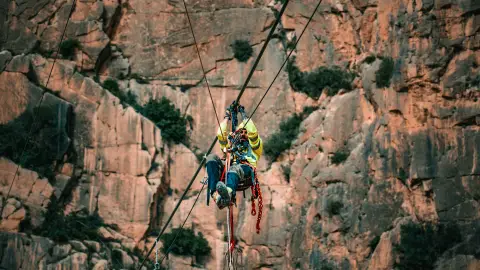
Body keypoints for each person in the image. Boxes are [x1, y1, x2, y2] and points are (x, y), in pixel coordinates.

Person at [206, 104, 263, 209]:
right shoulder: (232, 145)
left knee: (235, 168)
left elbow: (253, 132)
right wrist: (227, 117)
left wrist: (244, 115)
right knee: (211, 158)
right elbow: (220, 134)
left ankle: (228, 193)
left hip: (246, 169)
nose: (243, 135)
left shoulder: (255, 145)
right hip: (230, 168)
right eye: (241, 132)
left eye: (245, 133)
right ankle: (216, 195)